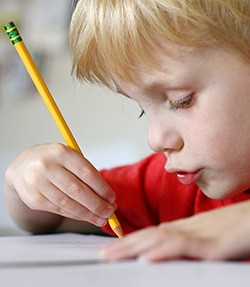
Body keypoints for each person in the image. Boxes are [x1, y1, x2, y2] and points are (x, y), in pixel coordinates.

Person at [4, 0, 250, 262]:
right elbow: (53, 218)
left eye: (181, 100)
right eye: (143, 110)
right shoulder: (176, 188)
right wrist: (24, 179)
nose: (155, 140)